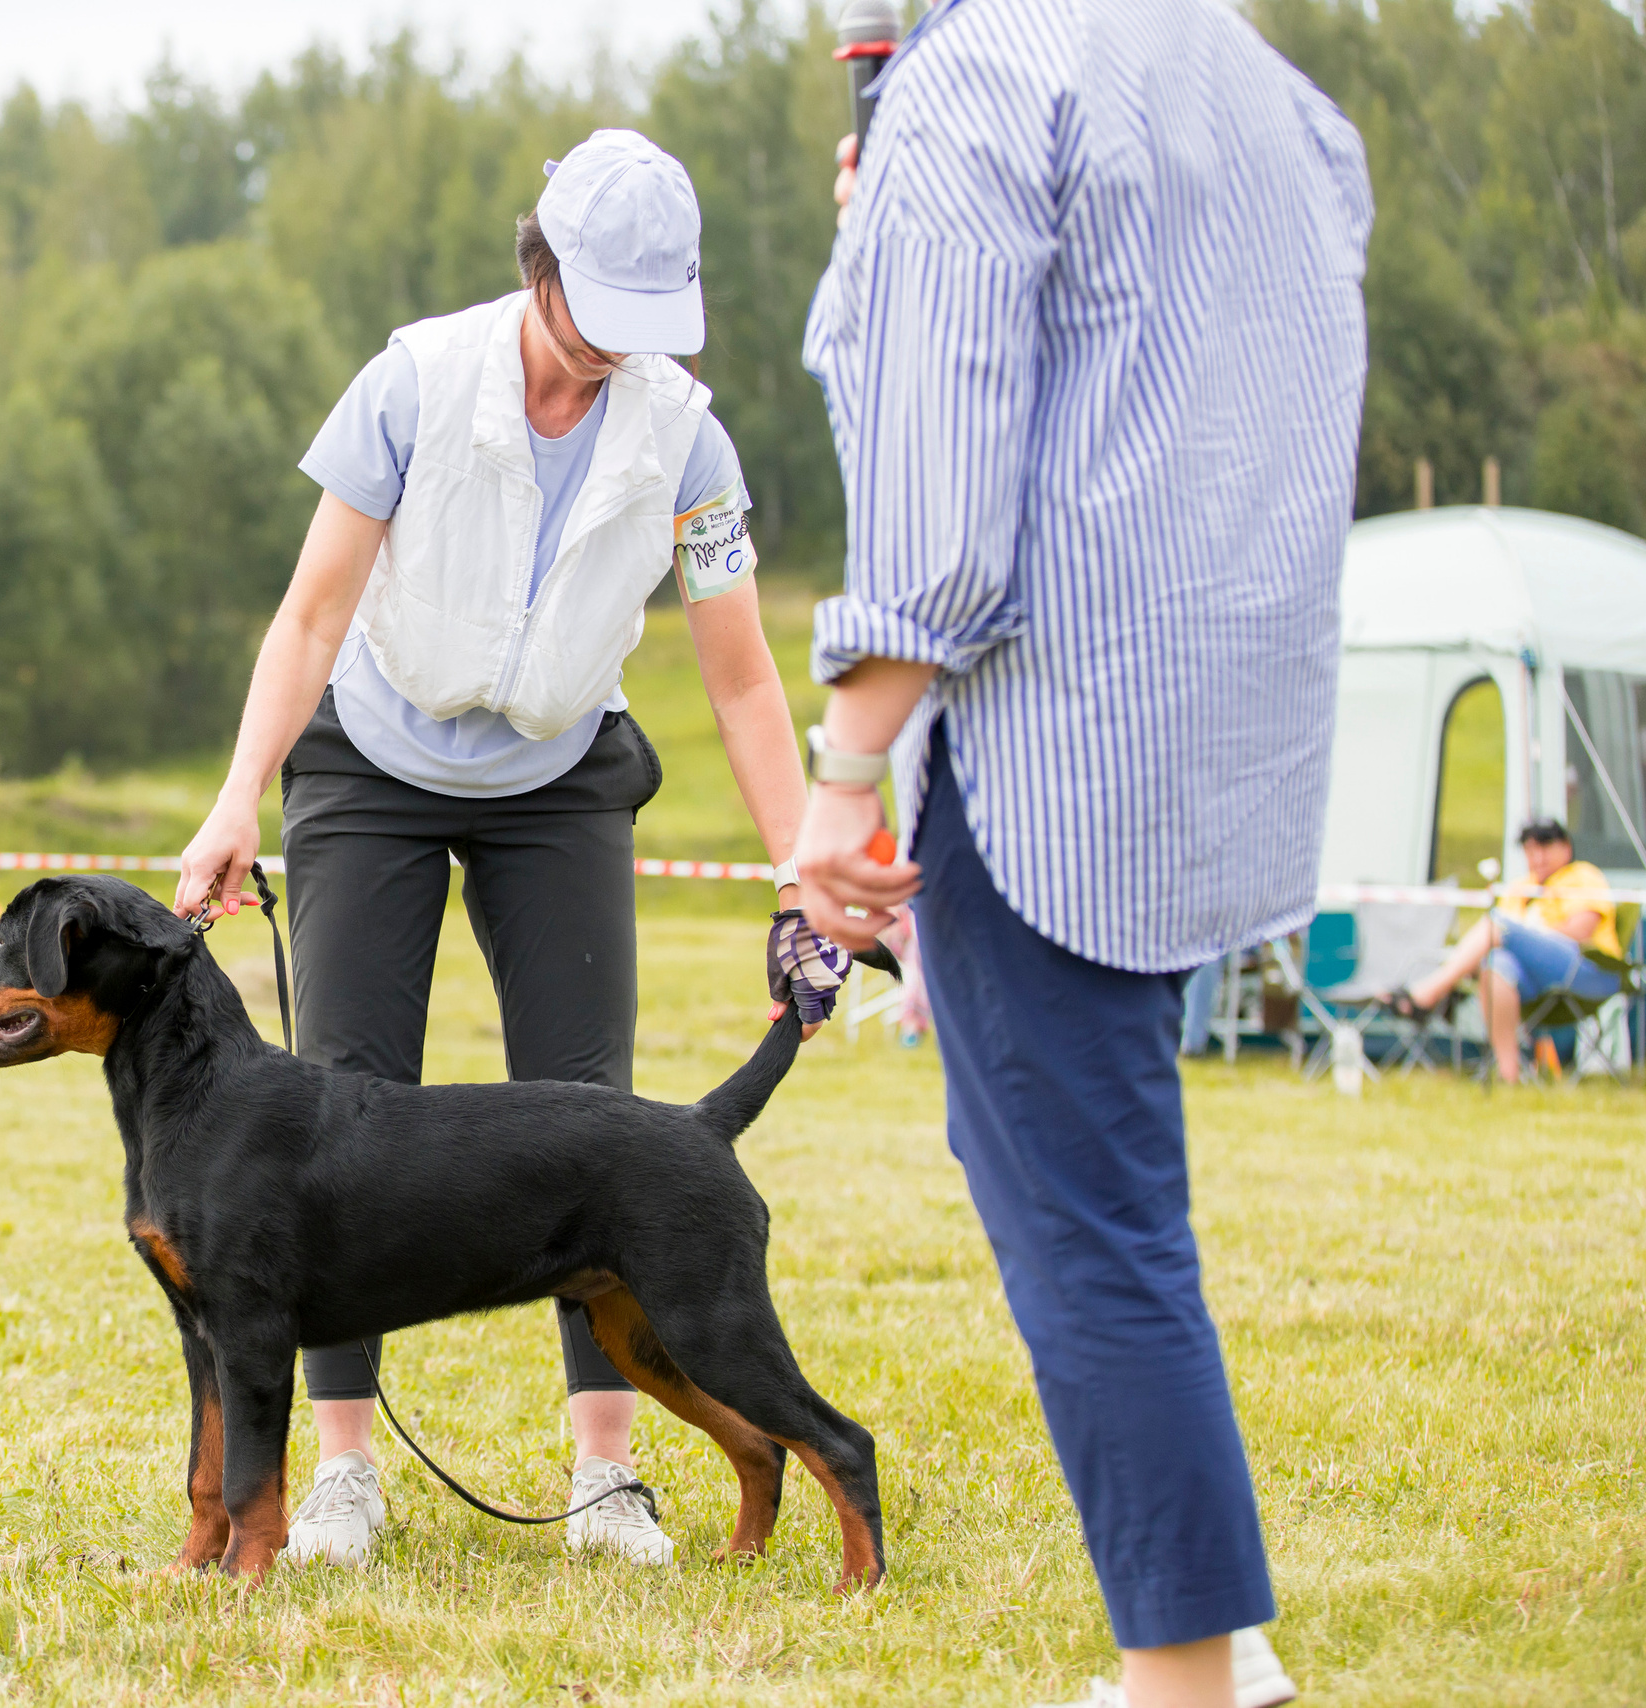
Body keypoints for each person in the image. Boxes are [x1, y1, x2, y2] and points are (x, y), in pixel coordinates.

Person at [791, 3, 1371, 1706]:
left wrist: (845, 773)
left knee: (1088, 1222)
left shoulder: (977, 84)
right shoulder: (1263, 80)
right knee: (1117, 1191)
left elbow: (940, 499)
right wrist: (876, 242)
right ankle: (1215, 1640)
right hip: (1228, 710)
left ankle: (1189, 1673)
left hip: (1056, 739)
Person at [171, 128, 853, 1571]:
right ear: (539, 267)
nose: (612, 354)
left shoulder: (690, 438)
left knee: (586, 1106)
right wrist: (240, 797)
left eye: (642, 328)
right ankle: (342, 1471)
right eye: (597, 316)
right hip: (376, 746)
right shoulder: (412, 383)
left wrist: (807, 868)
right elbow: (306, 619)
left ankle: (609, 1475)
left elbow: (740, 680)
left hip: (557, 769)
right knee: (342, 1109)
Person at [1391, 819, 1623, 1082]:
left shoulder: (1583, 875)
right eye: (1529, 849)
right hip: (1537, 982)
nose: (1537, 856)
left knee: (1499, 925)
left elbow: (1582, 930)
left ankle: (1429, 993)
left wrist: (1526, 938)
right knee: (1495, 964)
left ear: (1566, 847)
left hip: (1589, 971)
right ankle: (1509, 1074)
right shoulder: (1520, 888)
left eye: (1545, 846)